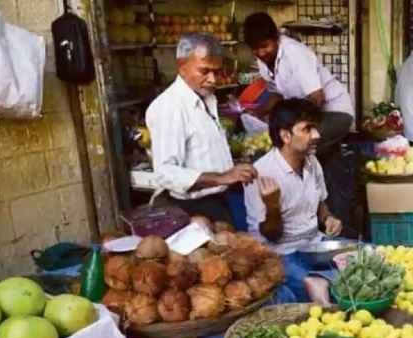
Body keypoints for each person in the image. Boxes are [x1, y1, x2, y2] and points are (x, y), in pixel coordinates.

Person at [145, 33, 257, 223]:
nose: (213, 79)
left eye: (217, 71)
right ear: (182, 68)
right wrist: (222, 177)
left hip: (218, 202)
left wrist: (232, 170)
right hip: (192, 209)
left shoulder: (205, 98)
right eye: (204, 71)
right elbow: (166, 173)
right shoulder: (169, 107)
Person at [244, 99, 342, 303]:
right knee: (317, 286)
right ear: (285, 135)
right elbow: (270, 236)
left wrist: (329, 218)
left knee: (364, 269)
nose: (317, 135)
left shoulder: (312, 162)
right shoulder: (261, 173)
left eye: (315, 128)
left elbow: (320, 204)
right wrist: (272, 206)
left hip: (314, 245)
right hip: (282, 253)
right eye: (307, 129)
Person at [242, 13, 354, 161]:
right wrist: (258, 112)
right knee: (319, 157)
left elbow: (317, 97)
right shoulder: (264, 61)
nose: (261, 53)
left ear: (276, 37)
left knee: (294, 146)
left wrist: (294, 124)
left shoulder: (295, 53)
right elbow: (277, 95)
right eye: (256, 49)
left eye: (265, 46)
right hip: (312, 116)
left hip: (335, 113)